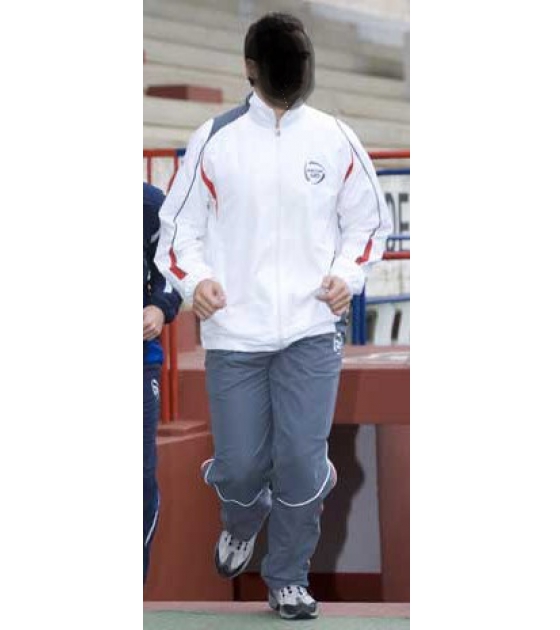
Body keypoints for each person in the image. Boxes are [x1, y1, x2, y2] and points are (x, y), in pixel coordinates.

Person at [154, 12, 392, 620]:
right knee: (239, 468)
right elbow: (177, 232)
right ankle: (242, 515)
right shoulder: (215, 140)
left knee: (301, 464)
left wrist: (347, 274)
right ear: (250, 69)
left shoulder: (335, 138)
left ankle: (288, 578)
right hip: (235, 335)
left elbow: (369, 224)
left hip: (311, 331)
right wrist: (196, 282)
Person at [144, 181, 181, 583]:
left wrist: (158, 306)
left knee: (139, 476)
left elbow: (172, 264)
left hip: (140, 362)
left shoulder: (150, 204)